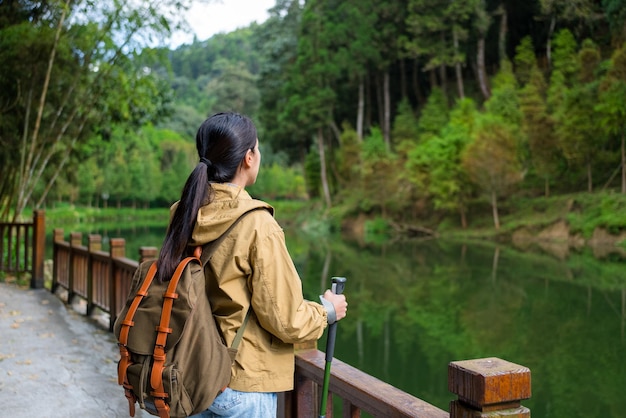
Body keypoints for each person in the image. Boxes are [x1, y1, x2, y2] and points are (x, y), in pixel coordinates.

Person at [155, 112, 348, 417]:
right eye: (257, 150)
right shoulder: (257, 224)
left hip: (189, 374)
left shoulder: (183, 213)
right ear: (248, 158)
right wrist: (326, 311)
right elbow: (285, 320)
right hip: (241, 383)